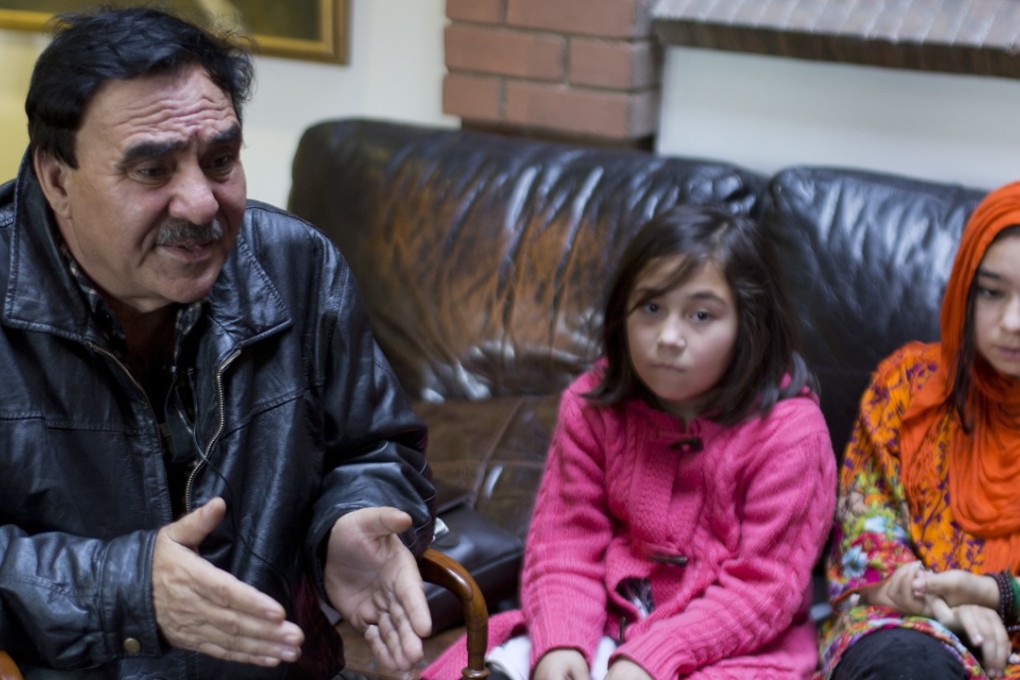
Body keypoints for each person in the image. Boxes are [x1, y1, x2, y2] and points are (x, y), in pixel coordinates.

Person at [0, 7, 434, 679]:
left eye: (221, 160)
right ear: (58, 179)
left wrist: (347, 521)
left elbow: (376, 448)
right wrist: (125, 589)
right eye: (153, 170)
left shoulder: (297, 266)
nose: (202, 204)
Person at [425, 205, 837, 679]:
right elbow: (565, 543)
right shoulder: (591, 405)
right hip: (602, 625)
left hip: (730, 647)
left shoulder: (791, 435)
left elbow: (763, 589)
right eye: (651, 308)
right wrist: (561, 641)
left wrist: (654, 656)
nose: (668, 337)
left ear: (749, 325)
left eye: (701, 315)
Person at [818, 182, 1020, 679]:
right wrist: (934, 601)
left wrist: (994, 595)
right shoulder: (908, 387)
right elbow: (868, 530)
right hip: (910, 623)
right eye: (992, 292)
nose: (1013, 322)